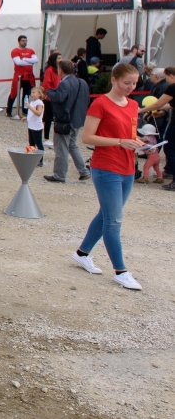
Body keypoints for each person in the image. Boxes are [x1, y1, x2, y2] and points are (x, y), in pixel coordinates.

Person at [74, 62, 144, 290]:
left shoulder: (133, 105)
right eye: (127, 82)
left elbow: (129, 133)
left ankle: (82, 253)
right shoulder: (100, 103)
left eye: (135, 83)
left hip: (127, 168)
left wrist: (137, 143)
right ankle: (120, 271)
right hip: (106, 168)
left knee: (107, 215)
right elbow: (87, 137)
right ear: (113, 79)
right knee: (114, 221)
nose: (131, 87)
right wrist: (120, 142)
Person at [43, 59, 91, 184]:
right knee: (72, 145)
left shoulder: (65, 83)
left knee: (61, 148)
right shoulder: (82, 82)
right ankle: (83, 171)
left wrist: (48, 92)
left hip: (66, 120)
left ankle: (59, 175)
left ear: (61, 70)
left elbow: (59, 97)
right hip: (78, 119)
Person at [137, 66, 175, 189]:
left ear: (171, 76)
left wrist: (141, 110)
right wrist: (160, 110)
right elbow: (169, 105)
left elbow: (159, 103)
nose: (167, 80)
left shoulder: (172, 87)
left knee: (170, 150)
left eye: (167, 77)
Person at [7, 35, 38, 117]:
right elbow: (18, 62)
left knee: (26, 94)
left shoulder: (31, 50)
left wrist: (25, 59)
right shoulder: (15, 51)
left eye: (26, 40)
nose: (24, 42)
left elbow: (35, 60)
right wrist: (30, 61)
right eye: (23, 40)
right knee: (14, 93)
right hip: (19, 76)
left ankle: (25, 110)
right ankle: (8, 111)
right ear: (19, 42)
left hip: (28, 76)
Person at [41, 51, 62, 142]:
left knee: (55, 117)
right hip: (50, 96)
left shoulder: (59, 69)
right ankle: (46, 138)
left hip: (56, 95)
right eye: (59, 58)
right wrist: (51, 93)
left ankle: (54, 137)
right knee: (49, 117)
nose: (61, 59)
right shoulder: (50, 70)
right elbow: (46, 84)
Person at [24, 87, 46, 166]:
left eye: (34, 92)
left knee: (38, 143)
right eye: (31, 92)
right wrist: (26, 118)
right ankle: (31, 157)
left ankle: (40, 160)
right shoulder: (33, 102)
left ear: (39, 94)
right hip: (31, 126)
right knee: (31, 142)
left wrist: (29, 106)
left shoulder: (39, 103)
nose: (32, 94)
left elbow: (38, 113)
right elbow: (32, 114)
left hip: (37, 126)